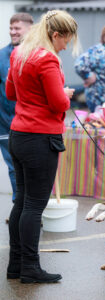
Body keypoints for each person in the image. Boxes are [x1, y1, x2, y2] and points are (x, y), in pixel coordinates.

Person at [6, 10, 78, 284]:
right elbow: (59, 104)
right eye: (66, 39)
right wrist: (65, 93)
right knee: (35, 206)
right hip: (40, 138)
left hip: (18, 134)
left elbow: (11, 93)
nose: (67, 45)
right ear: (55, 34)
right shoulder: (47, 58)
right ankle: (30, 268)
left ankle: (16, 266)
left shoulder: (21, 53)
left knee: (22, 202)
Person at [0, 13, 33, 204]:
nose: (13, 32)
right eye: (11, 28)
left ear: (30, 28)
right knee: (14, 167)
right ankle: (19, 206)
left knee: (33, 167)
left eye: (17, 28)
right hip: (7, 123)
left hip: (33, 124)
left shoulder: (38, 53)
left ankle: (33, 207)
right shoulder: (1, 56)